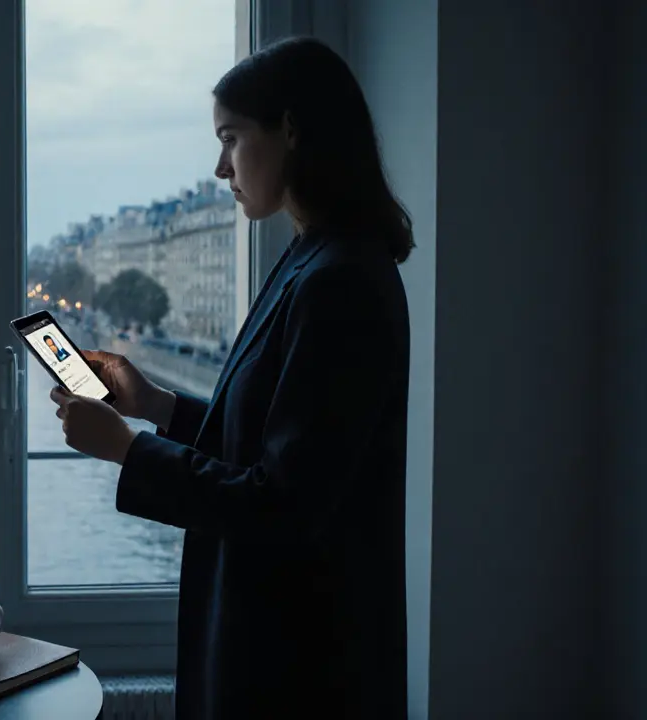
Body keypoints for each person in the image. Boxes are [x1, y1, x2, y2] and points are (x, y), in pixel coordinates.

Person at [49, 37, 411, 719]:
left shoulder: (338, 281)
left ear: (291, 131)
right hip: (288, 645)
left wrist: (127, 449)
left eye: (231, 139)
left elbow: (284, 506)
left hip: (299, 668)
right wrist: (156, 405)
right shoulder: (315, 259)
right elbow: (269, 446)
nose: (221, 168)